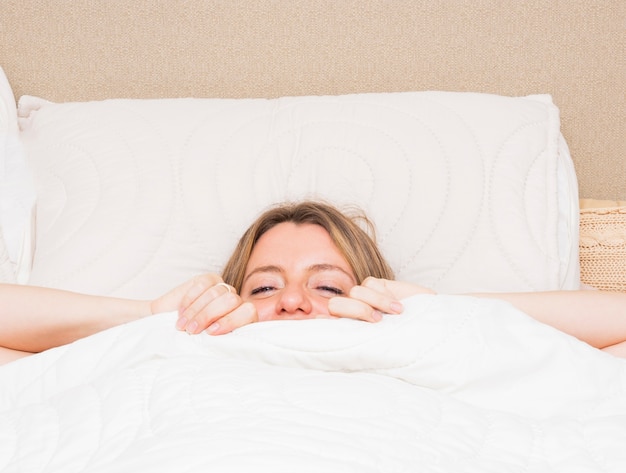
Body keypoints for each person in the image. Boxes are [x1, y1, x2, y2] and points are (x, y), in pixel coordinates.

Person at [1, 200, 626, 365]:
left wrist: (439, 311)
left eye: (328, 287)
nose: (295, 302)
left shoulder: (410, 337)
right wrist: (151, 315)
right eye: (264, 289)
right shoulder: (188, 341)